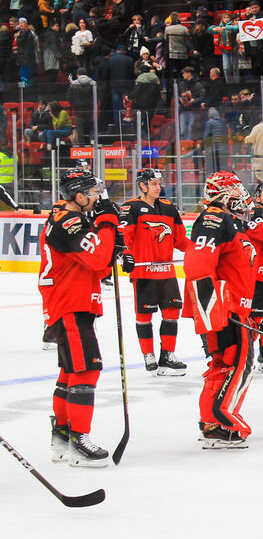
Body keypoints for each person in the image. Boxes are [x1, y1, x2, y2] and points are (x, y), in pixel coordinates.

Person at [40, 169, 120, 466]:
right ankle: (79, 440)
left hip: (73, 302)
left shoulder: (71, 218)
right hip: (70, 304)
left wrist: (113, 246)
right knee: (87, 370)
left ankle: (61, 436)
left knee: (70, 372)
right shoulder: (68, 221)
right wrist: (109, 224)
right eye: (94, 192)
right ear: (78, 195)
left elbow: (96, 267)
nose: (98, 197)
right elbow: (98, 258)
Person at [182, 171, 255, 448]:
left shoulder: (228, 221)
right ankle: (220, 418)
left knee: (226, 365)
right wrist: (215, 309)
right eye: (236, 190)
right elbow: (198, 266)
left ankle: (213, 423)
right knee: (233, 364)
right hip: (226, 308)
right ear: (222, 195)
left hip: (234, 307)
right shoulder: (215, 217)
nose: (242, 195)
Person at [118, 168, 191, 375]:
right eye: (153, 184)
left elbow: (180, 239)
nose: (158, 187)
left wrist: (199, 250)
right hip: (144, 272)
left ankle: (167, 354)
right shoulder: (130, 207)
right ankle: (148, 354)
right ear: (142, 186)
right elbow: (124, 237)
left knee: (171, 313)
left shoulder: (168, 208)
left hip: (166, 270)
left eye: (159, 183)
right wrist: (126, 254)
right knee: (144, 315)